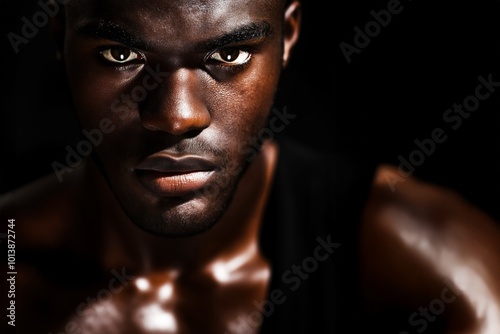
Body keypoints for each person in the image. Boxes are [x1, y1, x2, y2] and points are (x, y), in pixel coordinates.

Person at [1, 0, 499, 333]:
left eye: (229, 53)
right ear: (61, 39)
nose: (177, 117)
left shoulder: (434, 266)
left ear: (286, 37)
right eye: (121, 54)